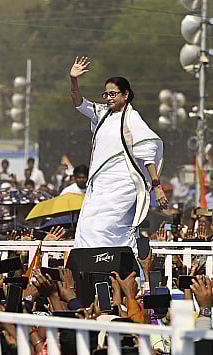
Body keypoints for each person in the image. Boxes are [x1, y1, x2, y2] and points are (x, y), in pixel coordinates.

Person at [69, 56, 168, 255]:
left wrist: (157, 187)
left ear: (125, 95)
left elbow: (147, 152)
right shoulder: (102, 113)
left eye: (113, 94)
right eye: (105, 95)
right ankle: (91, 269)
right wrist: (73, 80)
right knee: (88, 225)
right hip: (99, 185)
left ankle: (127, 271)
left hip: (122, 184)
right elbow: (79, 103)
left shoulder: (133, 118)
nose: (108, 98)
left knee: (109, 227)